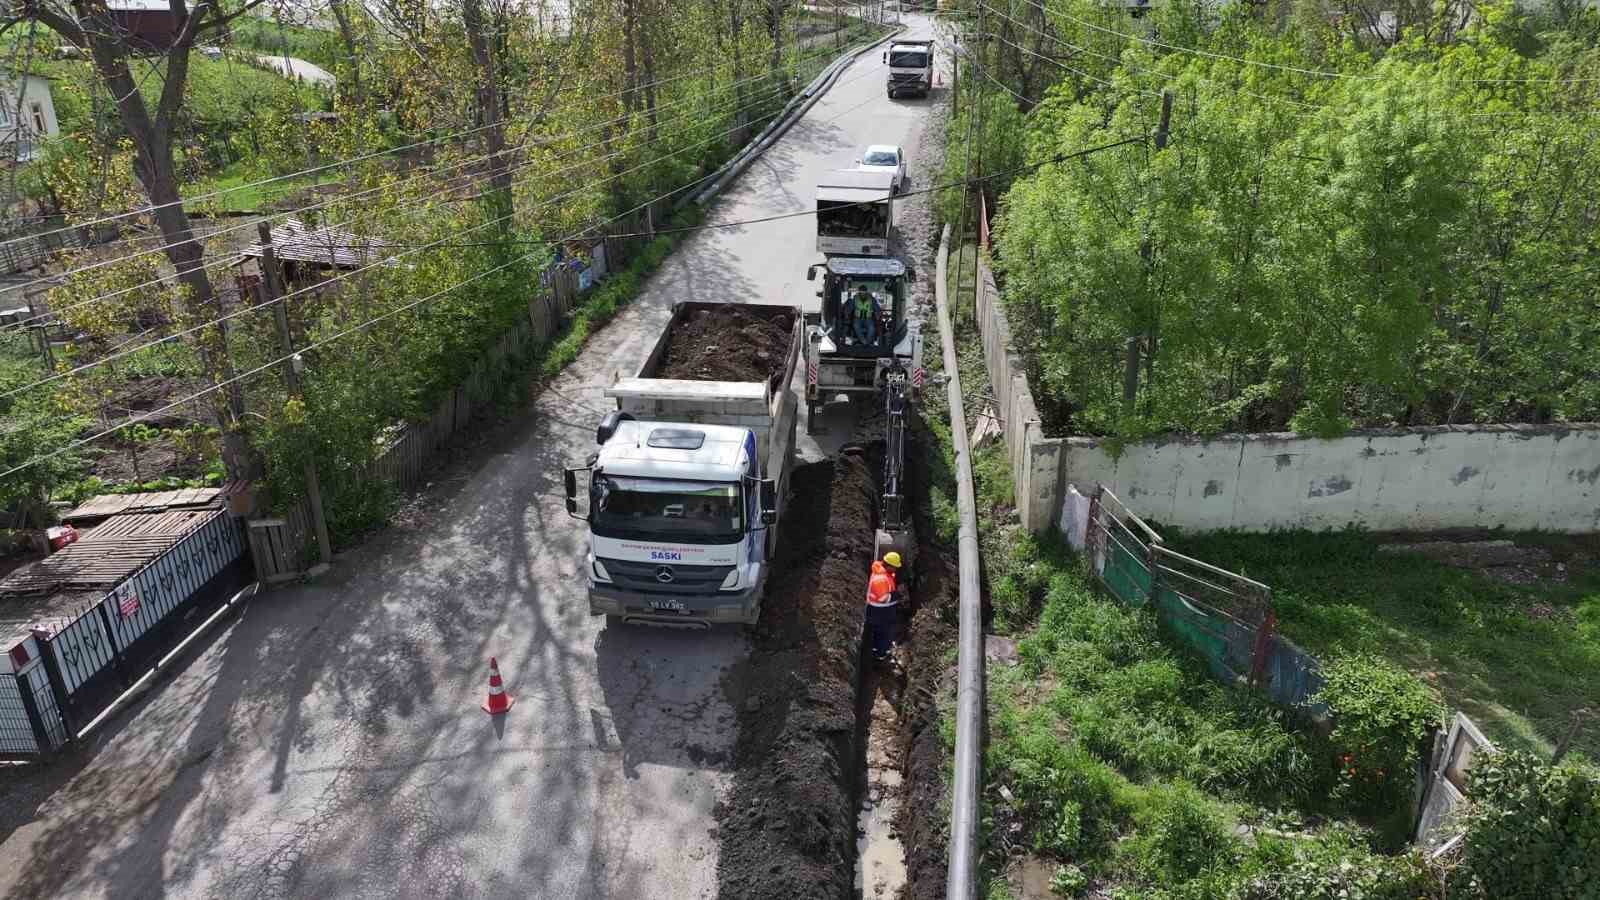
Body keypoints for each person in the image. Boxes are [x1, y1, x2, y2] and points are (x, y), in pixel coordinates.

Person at [865, 551, 902, 662]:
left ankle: (875, 650)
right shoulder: (881, 580)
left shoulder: (881, 571)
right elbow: (883, 599)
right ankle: (880, 655)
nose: (896, 569)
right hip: (881, 612)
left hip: (877, 611)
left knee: (878, 633)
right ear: (889, 566)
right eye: (895, 567)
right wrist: (896, 595)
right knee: (885, 633)